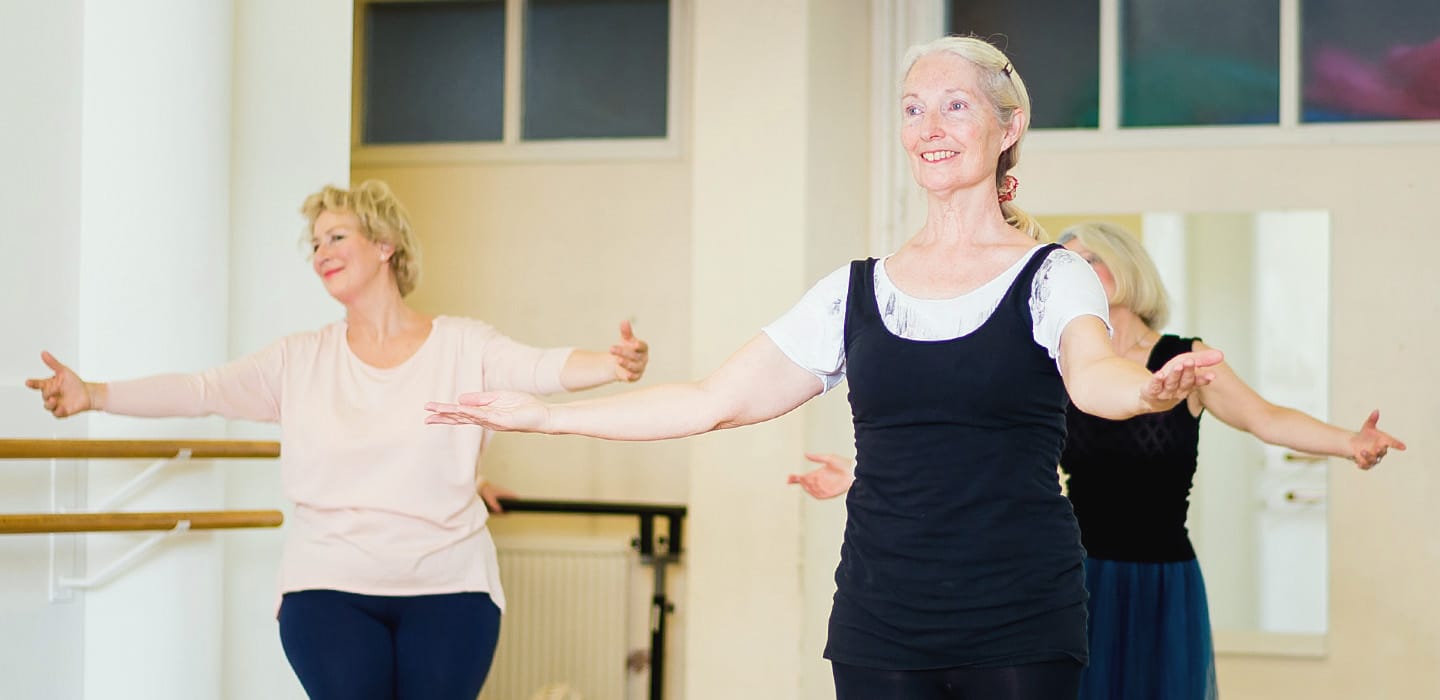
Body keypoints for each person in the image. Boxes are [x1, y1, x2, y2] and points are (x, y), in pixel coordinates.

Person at [423, 37, 1224, 700]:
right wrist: (550, 416)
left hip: (1019, 612)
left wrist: (1147, 389)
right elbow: (712, 401)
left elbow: (1092, 377)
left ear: (1009, 125)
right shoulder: (854, 292)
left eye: (955, 104)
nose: (929, 126)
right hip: (882, 616)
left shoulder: (1054, 276)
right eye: (912, 107)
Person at [25, 179, 650, 700]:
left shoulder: (464, 345)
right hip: (327, 585)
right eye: (315, 242)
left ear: (384, 244)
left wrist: (610, 363)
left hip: (450, 585)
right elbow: (201, 390)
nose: (320, 249)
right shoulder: (298, 360)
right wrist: (96, 394)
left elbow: (538, 368)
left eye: (336, 236)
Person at [789, 220, 1406, 700]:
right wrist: (860, 478)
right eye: (1065, 260)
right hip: (1075, 577)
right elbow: (978, 450)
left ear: (1124, 269)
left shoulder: (1181, 358)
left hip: (1162, 577)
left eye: (1086, 260)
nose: (1071, 271)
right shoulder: (1051, 361)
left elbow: (1266, 417)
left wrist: (1349, 441)